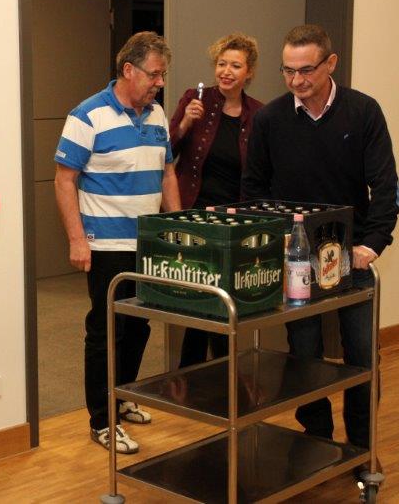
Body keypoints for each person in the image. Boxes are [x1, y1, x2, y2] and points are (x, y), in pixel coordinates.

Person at [242, 24, 399, 478]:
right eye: (288, 71)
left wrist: (371, 244)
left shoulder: (363, 111)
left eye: (306, 70)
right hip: (296, 261)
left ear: (331, 63)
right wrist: (274, 240)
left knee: (362, 357)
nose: (297, 80)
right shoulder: (270, 119)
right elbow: (254, 190)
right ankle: (317, 441)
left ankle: (362, 450)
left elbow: (385, 187)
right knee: (304, 356)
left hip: (352, 259)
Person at [54, 31, 181, 454]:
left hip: (147, 243)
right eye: (154, 74)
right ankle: (101, 420)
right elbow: (65, 180)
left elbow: (167, 174)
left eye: (163, 74)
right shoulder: (87, 115)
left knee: (139, 324)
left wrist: (178, 226)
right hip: (106, 245)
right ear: (129, 69)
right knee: (107, 330)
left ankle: (123, 397)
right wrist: (77, 239)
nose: (160, 82)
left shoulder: (158, 115)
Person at [168, 33, 263, 368]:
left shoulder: (257, 113)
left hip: (233, 219)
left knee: (226, 300)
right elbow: (167, 151)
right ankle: (193, 371)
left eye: (235, 65)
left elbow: (259, 169)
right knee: (199, 297)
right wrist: (185, 122)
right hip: (196, 214)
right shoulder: (196, 100)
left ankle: (220, 370)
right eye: (222, 64)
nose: (226, 71)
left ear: (249, 73)